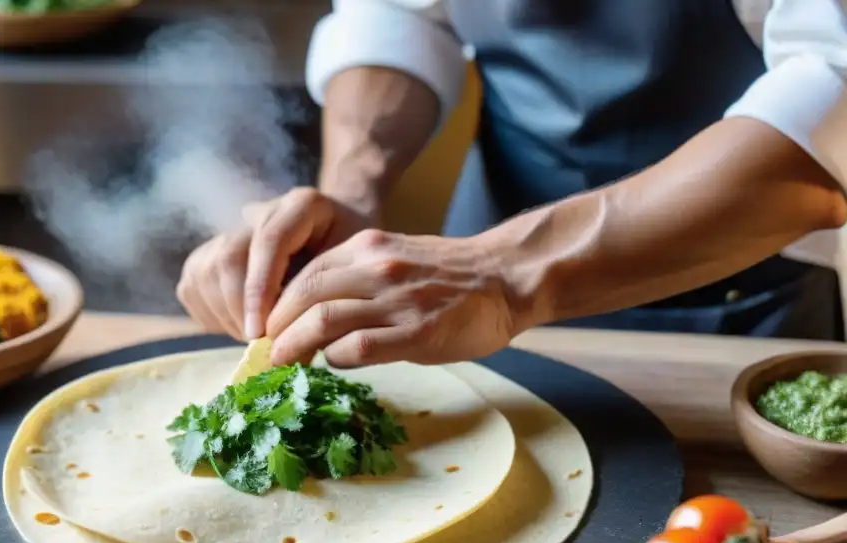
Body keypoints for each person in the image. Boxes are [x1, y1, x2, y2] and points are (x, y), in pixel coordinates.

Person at [177, 0, 847, 369]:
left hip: (731, 292)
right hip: (472, 282)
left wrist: (504, 274)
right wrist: (353, 189)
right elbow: (404, 12)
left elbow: (832, 93)